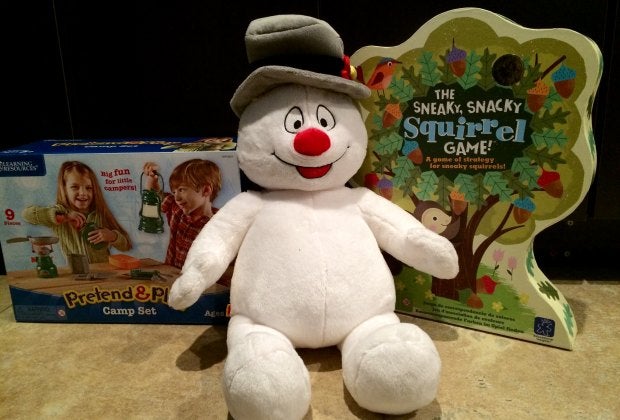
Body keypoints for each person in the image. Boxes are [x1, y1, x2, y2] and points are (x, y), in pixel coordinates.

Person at [22, 161, 131, 264]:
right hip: (76, 272)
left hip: (103, 270)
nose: (83, 193)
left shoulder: (100, 213)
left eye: (89, 188)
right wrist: (64, 217)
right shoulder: (60, 212)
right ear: (64, 189)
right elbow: (27, 215)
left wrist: (112, 236)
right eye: (75, 187)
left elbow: (126, 245)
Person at [142, 159, 221, 269]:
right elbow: (155, 197)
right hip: (170, 275)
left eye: (181, 190)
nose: (177, 198)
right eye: (174, 192)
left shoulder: (219, 225)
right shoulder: (177, 210)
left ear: (206, 190)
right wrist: (152, 179)